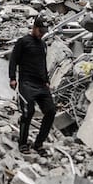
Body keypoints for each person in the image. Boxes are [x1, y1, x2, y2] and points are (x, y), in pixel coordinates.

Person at [9, 14, 56, 154]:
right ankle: (23, 144)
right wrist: (12, 78)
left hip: (41, 84)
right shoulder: (23, 42)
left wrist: (47, 81)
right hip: (27, 83)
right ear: (34, 28)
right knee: (27, 112)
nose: (42, 34)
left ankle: (39, 144)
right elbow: (13, 60)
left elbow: (43, 64)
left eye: (44, 32)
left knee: (51, 111)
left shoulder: (42, 45)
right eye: (40, 31)